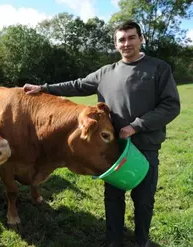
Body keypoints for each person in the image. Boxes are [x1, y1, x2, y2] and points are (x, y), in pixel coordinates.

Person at [23, 20, 180, 247]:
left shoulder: (158, 68)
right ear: (116, 44)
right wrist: (44, 88)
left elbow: (171, 106)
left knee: (144, 200)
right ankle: (114, 240)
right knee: (113, 198)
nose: (126, 43)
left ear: (141, 39)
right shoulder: (106, 73)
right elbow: (76, 85)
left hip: (145, 147)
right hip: (112, 149)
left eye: (131, 37)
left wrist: (137, 126)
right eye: (121, 40)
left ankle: (142, 241)